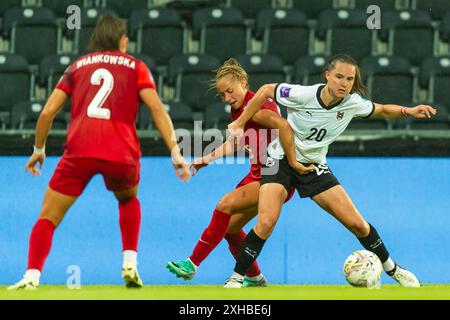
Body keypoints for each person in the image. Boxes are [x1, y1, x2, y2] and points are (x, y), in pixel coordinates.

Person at [8, 14, 190, 290]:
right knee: (128, 200)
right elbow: (156, 109)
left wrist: (39, 149)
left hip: (79, 149)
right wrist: (175, 151)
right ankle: (130, 262)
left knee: (47, 216)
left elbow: (46, 112)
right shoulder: (136, 67)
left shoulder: (76, 66)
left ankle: (31, 276)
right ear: (123, 41)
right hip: (121, 151)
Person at [224, 53, 437, 288]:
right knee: (266, 222)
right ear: (327, 75)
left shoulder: (352, 103)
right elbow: (265, 89)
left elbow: (383, 109)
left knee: (358, 225)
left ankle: (393, 269)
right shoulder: (302, 95)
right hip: (279, 159)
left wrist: (409, 111)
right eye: (339, 77)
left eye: (349, 79)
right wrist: (240, 122)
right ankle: (235, 278)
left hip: (314, 165)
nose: (344, 83)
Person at [166, 58, 313, 287]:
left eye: (230, 91)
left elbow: (285, 127)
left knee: (224, 206)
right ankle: (255, 278)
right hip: (258, 174)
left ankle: (192, 264)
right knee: (231, 228)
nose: (227, 98)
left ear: (243, 82)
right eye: (222, 94)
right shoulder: (242, 110)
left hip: (273, 175)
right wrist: (208, 159)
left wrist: (290, 160)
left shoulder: (255, 109)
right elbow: (236, 142)